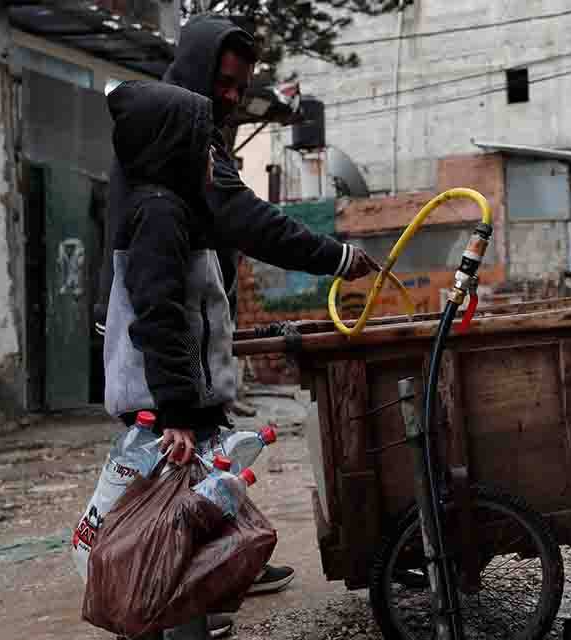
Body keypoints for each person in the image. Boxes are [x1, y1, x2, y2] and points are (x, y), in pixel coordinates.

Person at [94, 16, 378, 607]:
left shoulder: (181, 143)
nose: (231, 96)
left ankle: (195, 585)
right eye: (223, 81)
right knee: (172, 484)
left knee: (193, 466)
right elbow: (235, 225)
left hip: (177, 336)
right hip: (163, 346)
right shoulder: (178, 149)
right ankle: (171, 602)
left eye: (239, 85)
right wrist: (335, 255)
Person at [102, 79, 232, 640]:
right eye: (203, 144)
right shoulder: (159, 213)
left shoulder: (169, 208)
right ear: (171, 144)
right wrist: (178, 411)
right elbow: (159, 316)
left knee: (164, 543)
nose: (212, 157)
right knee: (174, 549)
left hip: (168, 407)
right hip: (164, 414)